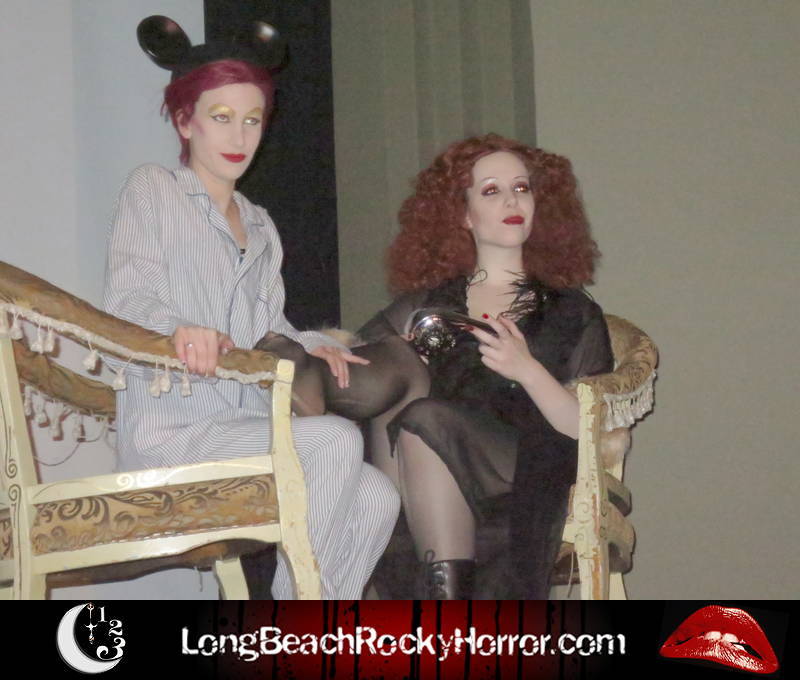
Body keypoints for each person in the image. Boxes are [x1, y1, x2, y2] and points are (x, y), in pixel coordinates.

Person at [102, 16, 399, 599]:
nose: (238, 135)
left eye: (252, 119)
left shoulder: (260, 224)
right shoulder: (154, 189)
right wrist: (178, 329)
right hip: (170, 433)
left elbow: (269, 328)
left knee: (378, 496)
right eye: (221, 117)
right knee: (334, 439)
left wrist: (321, 345)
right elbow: (127, 298)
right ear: (184, 121)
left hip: (242, 427)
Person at [260, 133, 613, 598]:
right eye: (491, 190)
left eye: (521, 188)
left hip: (527, 456)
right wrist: (327, 347)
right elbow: (366, 356)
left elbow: (589, 428)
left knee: (424, 417)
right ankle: (309, 375)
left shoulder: (571, 310)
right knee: (399, 359)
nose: (512, 201)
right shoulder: (431, 304)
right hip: (422, 465)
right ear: (463, 215)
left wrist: (526, 368)